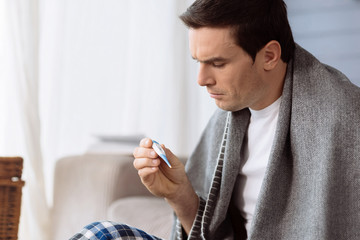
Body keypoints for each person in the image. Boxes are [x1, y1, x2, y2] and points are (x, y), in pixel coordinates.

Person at [71, 0, 360, 239]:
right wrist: (179, 194)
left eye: (218, 64)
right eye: (199, 62)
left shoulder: (344, 120)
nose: (202, 79)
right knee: (103, 233)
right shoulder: (229, 118)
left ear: (270, 55)